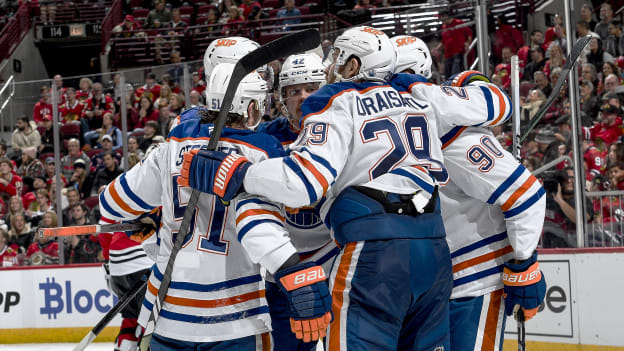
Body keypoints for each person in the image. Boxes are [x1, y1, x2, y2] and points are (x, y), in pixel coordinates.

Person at [179, 26, 514, 350]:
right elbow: (499, 105)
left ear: (354, 64)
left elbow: (302, 183)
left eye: (337, 57)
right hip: (434, 248)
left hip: (372, 252)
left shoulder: (336, 101)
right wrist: (466, 81)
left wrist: (238, 173)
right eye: (293, 90)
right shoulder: (417, 94)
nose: (328, 70)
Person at [98, 62, 329, 350]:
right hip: (236, 318)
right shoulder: (262, 149)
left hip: (170, 318)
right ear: (251, 108)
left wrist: (158, 215)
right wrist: (293, 271)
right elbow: (258, 227)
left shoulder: (172, 144)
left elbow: (111, 202)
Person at [393, 41, 546, 351]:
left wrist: (523, 262)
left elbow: (526, 194)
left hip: (472, 282)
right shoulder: (387, 134)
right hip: (428, 285)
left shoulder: (452, 130)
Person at [256, 53, 339, 350]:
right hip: (286, 265)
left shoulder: (342, 128)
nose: (303, 97)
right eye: (295, 91)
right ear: (282, 99)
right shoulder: (266, 138)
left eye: (311, 88)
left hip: (336, 258)